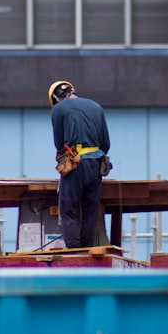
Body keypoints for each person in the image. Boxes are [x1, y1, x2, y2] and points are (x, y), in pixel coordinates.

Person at [48, 80, 111, 249]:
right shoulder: (96, 106)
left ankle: (75, 251)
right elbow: (106, 143)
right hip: (97, 164)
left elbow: (59, 144)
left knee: (68, 210)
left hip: (76, 164)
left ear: (56, 98)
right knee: (91, 210)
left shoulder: (58, 109)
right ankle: (88, 249)